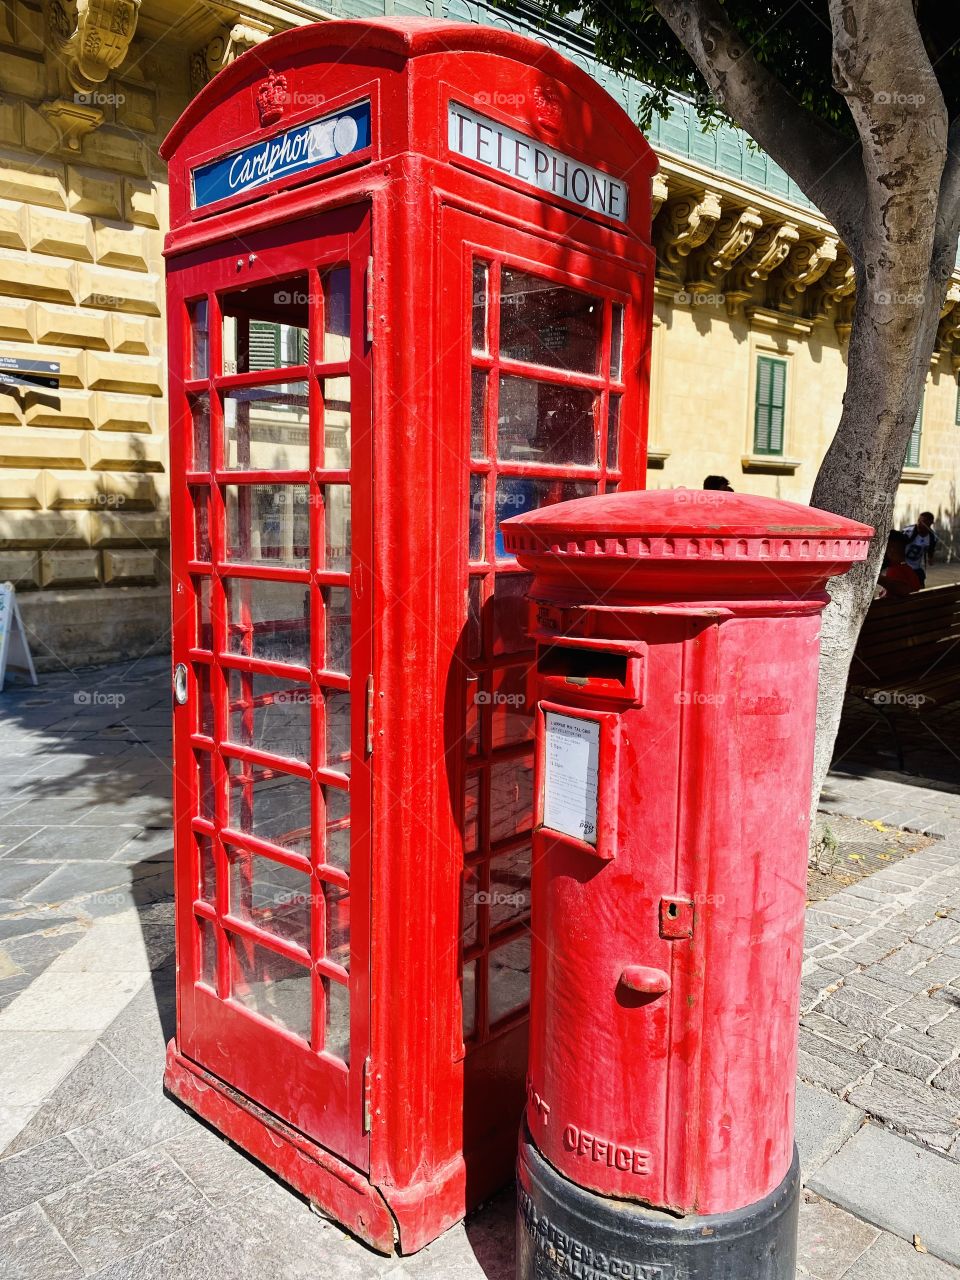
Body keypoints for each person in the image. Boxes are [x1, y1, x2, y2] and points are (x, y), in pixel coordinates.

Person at [878, 530, 921, 599]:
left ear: (891, 549)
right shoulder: (906, 569)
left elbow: (904, 590)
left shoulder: (896, 570)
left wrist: (876, 577)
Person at [902, 511, 937, 587]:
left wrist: (930, 558)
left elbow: (931, 550)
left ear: (930, 523)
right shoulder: (908, 531)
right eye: (919, 521)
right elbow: (897, 545)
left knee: (920, 588)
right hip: (903, 566)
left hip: (916, 567)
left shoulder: (931, 537)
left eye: (923, 522)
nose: (919, 524)